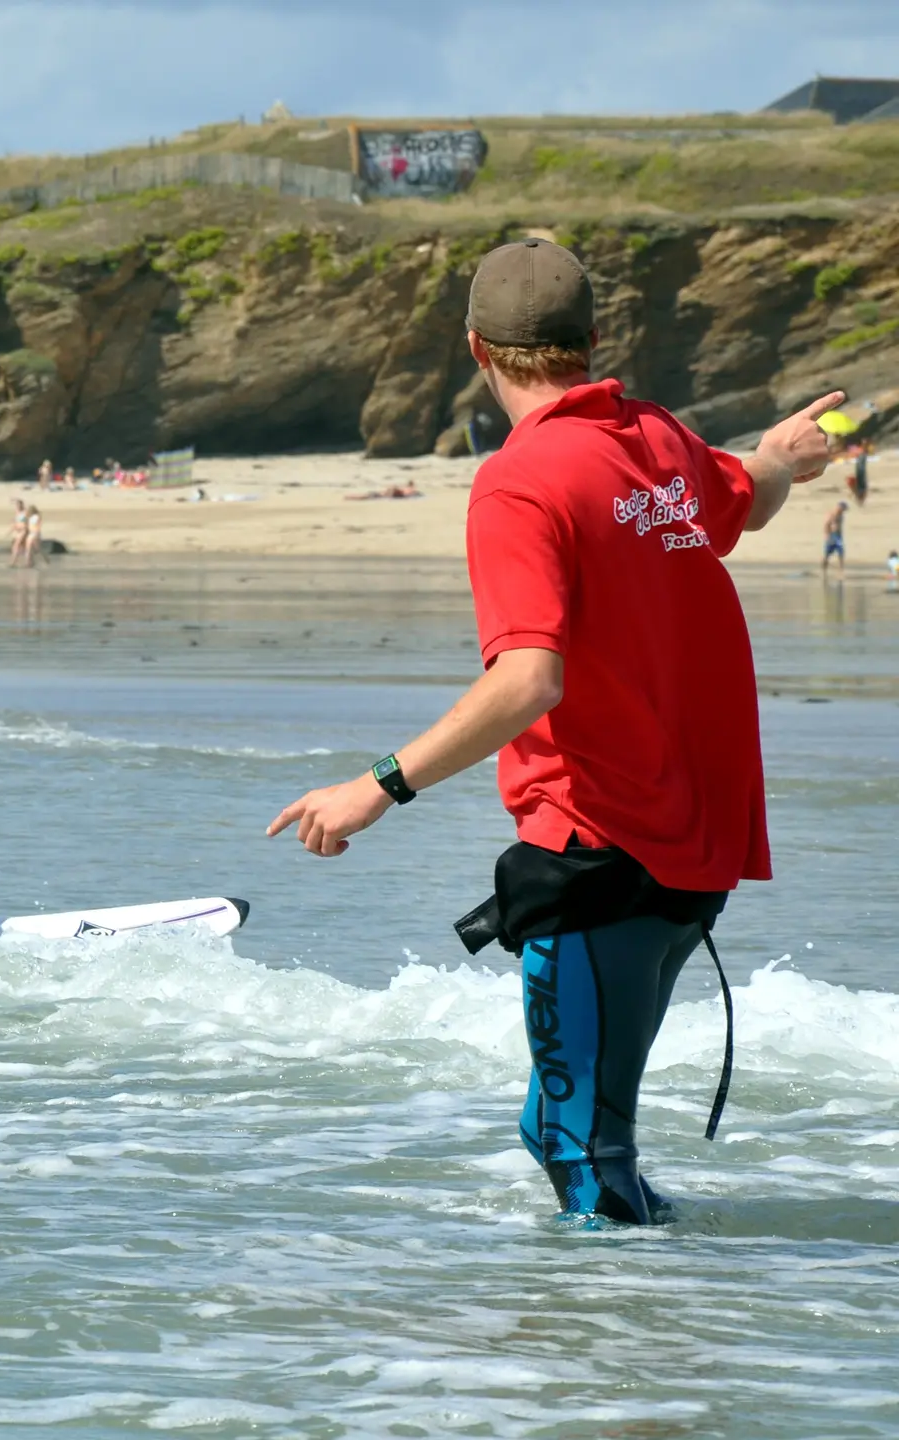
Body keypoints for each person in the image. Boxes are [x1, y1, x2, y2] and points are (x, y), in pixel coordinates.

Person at [265, 237, 841, 1226]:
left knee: (583, 1152)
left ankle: (622, 1363)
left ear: (477, 347)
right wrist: (781, 458)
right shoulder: (656, 439)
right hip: (693, 856)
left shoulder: (520, 481)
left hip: (599, 851)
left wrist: (378, 786)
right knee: (566, 1131)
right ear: (594, 340)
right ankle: (639, 1332)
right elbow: (745, 492)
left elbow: (529, 679)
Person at [823, 501, 847, 576]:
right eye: (842, 509)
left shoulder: (841, 515)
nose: (843, 511)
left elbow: (839, 526)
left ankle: (841, 569)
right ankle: (824, 569)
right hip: (831, 535)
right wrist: (827, 535)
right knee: (827, 554)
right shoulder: (831, 514)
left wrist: (840, 535)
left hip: (838, 536)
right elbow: (826, 524)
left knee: (841, 552)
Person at [7, 497, 29, 567]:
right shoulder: (17, 512)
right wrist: (11, 530)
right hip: (18, 531)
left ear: (22, 505)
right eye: (17, 505)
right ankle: (28, 562)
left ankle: (13, 562)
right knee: (24, 548)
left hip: (23, 531)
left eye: (19, 505)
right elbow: (15, 522)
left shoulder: (25, 512)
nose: (18, 506)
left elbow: (27, 521)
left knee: (15, 546)